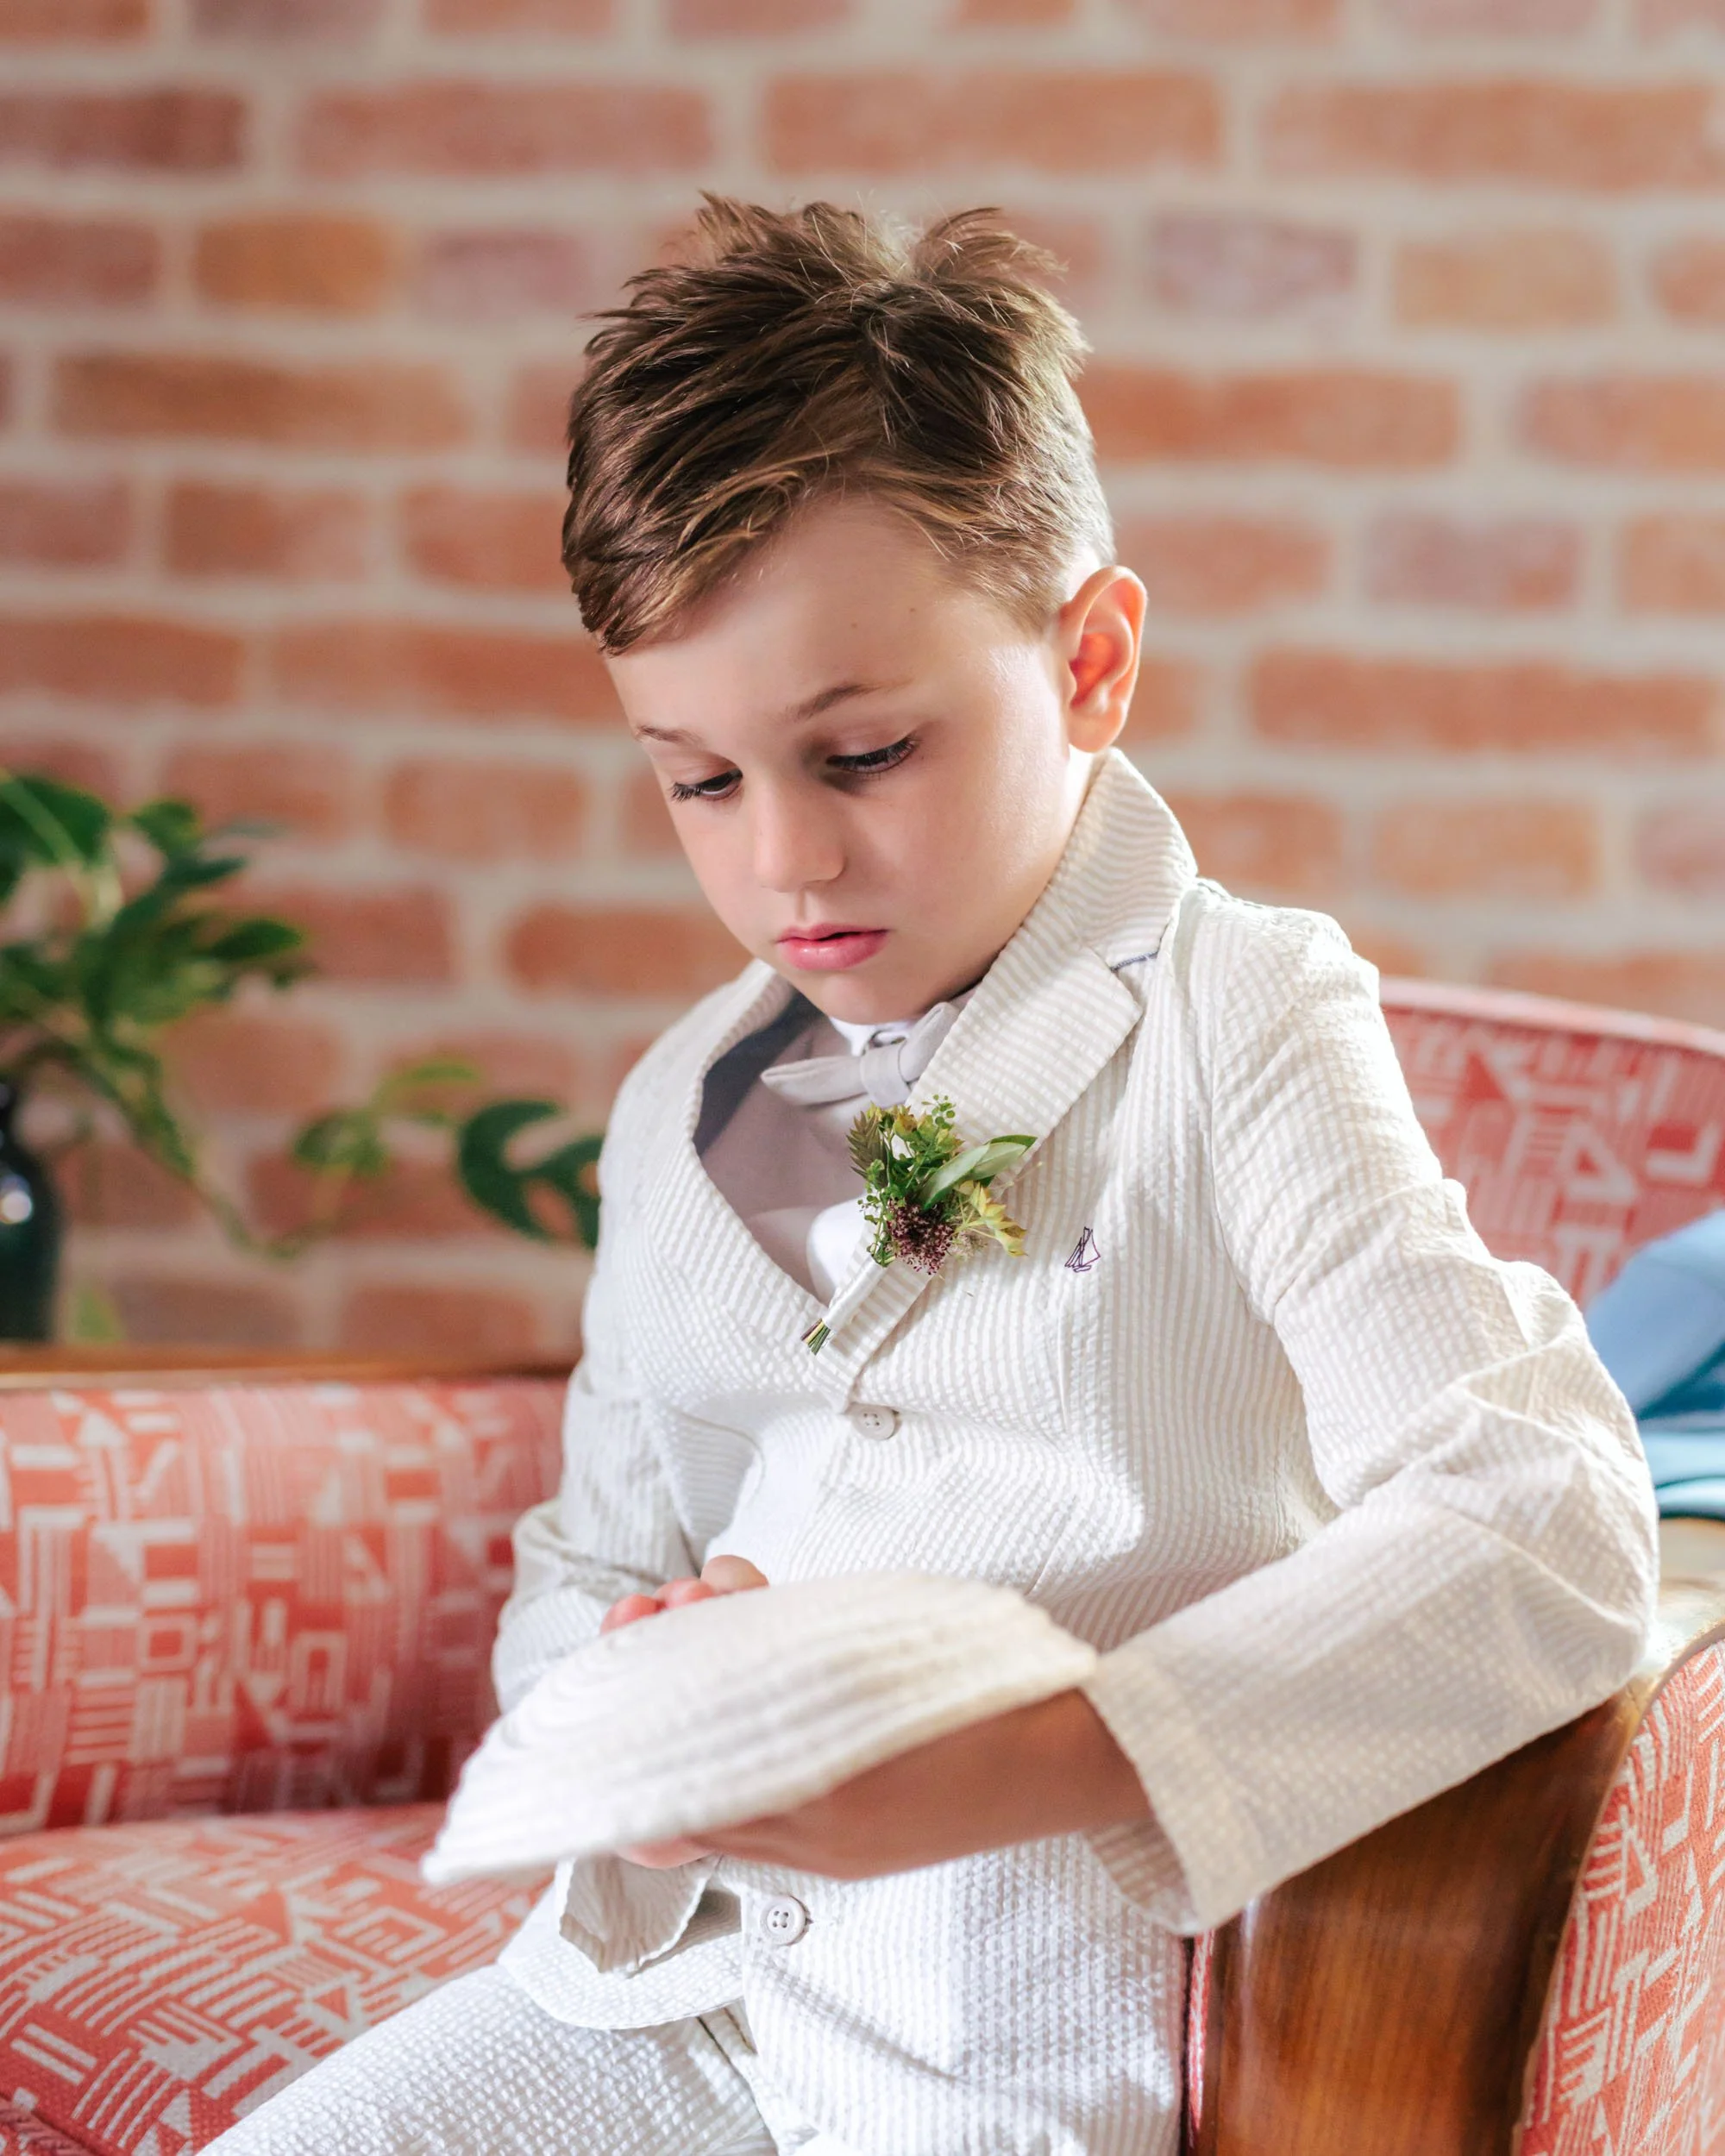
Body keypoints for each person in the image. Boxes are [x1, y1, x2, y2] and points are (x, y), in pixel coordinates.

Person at [210, 196, 1658, 2156]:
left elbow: (1546, 1514)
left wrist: (1056, 1750)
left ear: (1093, 662)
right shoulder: (679, 1101)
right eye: (698, 780)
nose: (782, 863)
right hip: (672, 2003)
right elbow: (588, 1569)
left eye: (866, 753)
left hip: (1019, 2044)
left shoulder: (1241, 1013)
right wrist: (645, 1695)